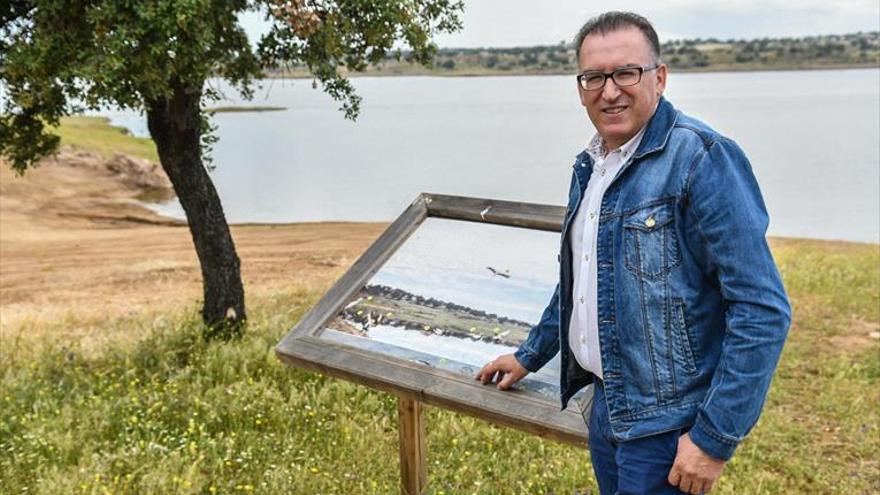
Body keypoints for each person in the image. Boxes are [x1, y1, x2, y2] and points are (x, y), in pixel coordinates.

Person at [474, 11, 791, 495]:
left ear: (659, 77)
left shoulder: (701, 158)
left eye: (626, 72)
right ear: (580, 86)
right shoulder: (593, 163)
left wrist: (712, 439)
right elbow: (582, 280)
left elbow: (762, 309)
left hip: (667, 428)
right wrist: (530, 355)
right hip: (608, 409)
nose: (610, 91)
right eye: (594, 77)